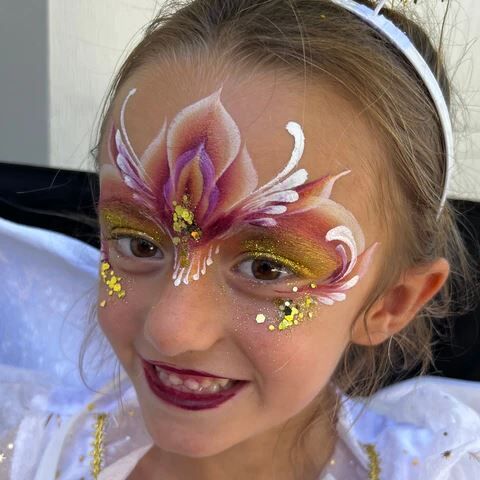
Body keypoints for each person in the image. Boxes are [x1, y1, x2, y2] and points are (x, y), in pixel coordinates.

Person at [1, 0, 479, 479]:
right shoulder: (26, 453)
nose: (171, 331)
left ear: (392, 302)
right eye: (139, 244)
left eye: (267, 268)